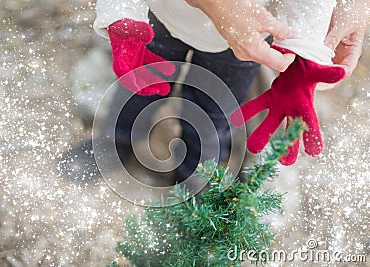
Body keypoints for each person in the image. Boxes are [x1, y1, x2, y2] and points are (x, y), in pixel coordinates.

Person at [60, 0, 369, 183]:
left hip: (249, 37)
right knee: (139, 87)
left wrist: (304, 56)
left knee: (215, 112)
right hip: (165, 16)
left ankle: (194, 178)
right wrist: (123, 14)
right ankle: (116, 141)